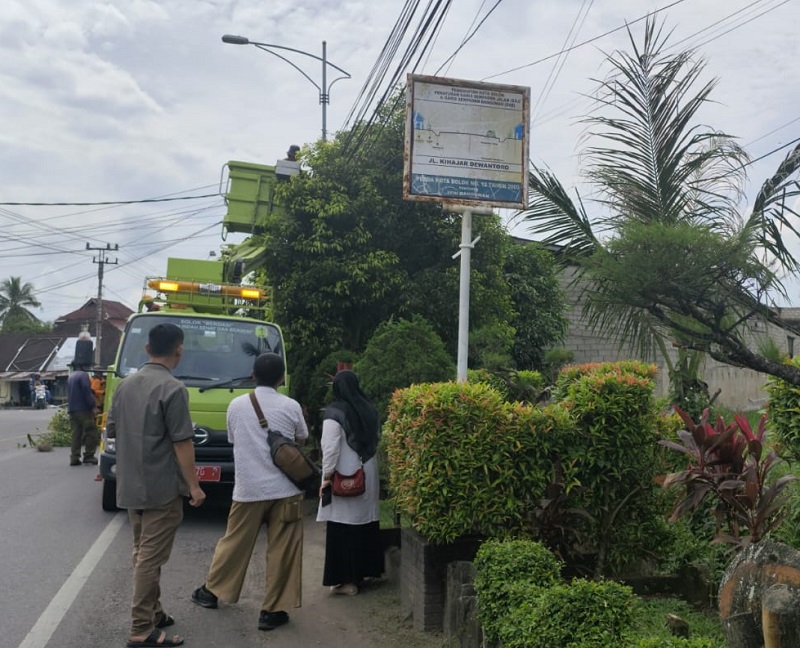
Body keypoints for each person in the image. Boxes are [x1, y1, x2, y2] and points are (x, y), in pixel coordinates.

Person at [191, 352, 308, 632]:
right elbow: (301, 438)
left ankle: (212, 592)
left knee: (234, 543)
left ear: (253, 375)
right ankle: (272, 611)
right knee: (283, 549)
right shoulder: (291, 406)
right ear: (282, 378)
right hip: (286, 490)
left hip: (248, 490)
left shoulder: (237, 405)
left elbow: (234, 438)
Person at [106, 323, 206, 648]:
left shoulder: (124, 385)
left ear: (147, 349)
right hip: (161, 488)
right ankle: (140, 628)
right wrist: (194, 486)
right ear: (179, 349)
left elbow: (112, 430)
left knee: (141, 552)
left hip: (131, 484)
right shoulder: (174, 389)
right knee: (149, 558)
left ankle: (155, 612)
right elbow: (182, 443)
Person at [317, 370, 384, 596]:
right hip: (368, 474)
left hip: (344, 476)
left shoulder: (334, 412)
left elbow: (330, 448)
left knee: (342, 526)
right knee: (364, 523)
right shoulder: (369, 409)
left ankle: (347, 581)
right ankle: (362, 574)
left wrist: (326, 477)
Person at [66, 362, 99, 466]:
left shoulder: (71, 376)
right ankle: (89, 456)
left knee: (76, 434)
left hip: (72, 410)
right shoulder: (83, 375)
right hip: (83, 410)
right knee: (91, 432)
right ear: (82, 366)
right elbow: (87, 392)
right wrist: (93, 406)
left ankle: (74, 457)